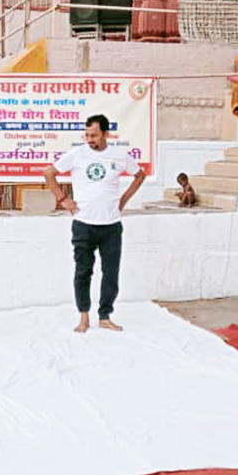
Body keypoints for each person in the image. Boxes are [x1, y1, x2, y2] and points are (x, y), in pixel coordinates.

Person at [44, 114, 146, 333]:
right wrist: (63, 199)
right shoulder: (77, 154)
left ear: (106, 134)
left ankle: (105, 316)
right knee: (83, 272)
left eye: (94, 135)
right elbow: (49, 173)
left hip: (111, 226)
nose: (90, 139)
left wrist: (124, 200)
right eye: (87, 135)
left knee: (111, 273)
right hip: (83, 224)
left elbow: (139, 175)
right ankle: (83, 317)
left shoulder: (119, 155)